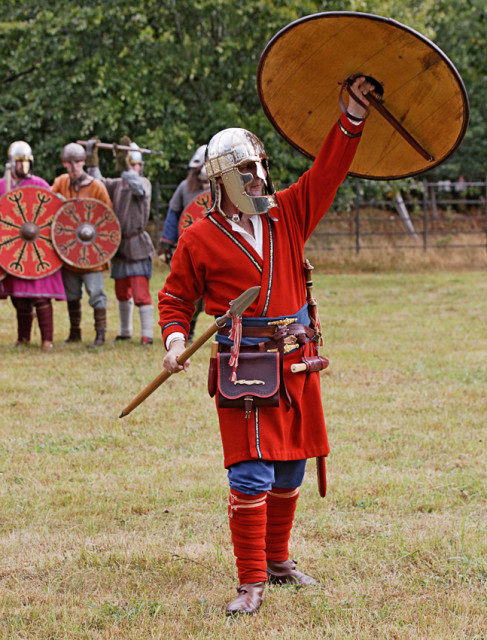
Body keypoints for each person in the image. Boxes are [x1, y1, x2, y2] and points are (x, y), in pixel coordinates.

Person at [158, 77, 373, 615]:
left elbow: (327, 171)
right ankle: (251, 580)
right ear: (219, 181)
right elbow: (175, 298)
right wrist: (177, 339)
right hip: (243, 361)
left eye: (260, 166)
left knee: (290, 467)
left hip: (296, 355)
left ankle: (277, 561)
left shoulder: (288, 213)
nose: (258, 176)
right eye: (244, 170)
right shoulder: (198, 238)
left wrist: (350, 116)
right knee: (250, 470)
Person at [87, 137, 155, 345]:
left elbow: (136, 186)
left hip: (137, 245)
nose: (133, 168)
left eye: (135, 164)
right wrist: (92, 160)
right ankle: (125, 331)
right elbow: (97, 183)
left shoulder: (143, 183)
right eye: (130, 164)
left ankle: (147, 334)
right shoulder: (117, 185)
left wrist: (125, 166)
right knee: (121, 292)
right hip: (119, 245)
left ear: (140, 167)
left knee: (140, 292)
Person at [0, 141, 66, 350]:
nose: (23, 166)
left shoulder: (38, 183)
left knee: (40, 296)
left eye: (26, 162)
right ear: (11, 163)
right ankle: (24, 338)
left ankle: (47, 339)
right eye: (19, 162)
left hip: (38, 249)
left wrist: (60, 201)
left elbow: (53, 209)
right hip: (13, 249)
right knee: (19, 300)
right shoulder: (3, 184)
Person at [51, 143, 112, 347]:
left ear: (84, 162)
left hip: (90, 251)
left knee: (96, 294)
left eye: (77, 162)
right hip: (68, 249)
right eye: (69, 163)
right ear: (64, 164)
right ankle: (74, 332)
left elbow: (106, 217)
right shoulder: (60, 183)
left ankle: (100, 334)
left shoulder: (96, 186)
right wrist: (57, 201)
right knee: (72, 294)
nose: (74, 166)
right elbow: (50, 207)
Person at [159, 145, 209, 341]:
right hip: (191, 250)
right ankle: (188, 330)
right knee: (191, 294)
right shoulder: (185, 188)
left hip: (218, 250)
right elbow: (173, 217)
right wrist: (165, 245)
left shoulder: (225, 188)